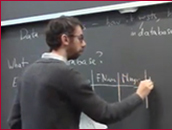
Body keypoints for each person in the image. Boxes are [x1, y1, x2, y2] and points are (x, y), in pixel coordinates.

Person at [7, 16, 154, 129]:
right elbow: (106, 114)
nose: (84, 44)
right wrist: (139, 95)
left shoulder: (27, 73)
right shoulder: (64, 74)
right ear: (65, 39)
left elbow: (14, 122)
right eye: (80, 38)